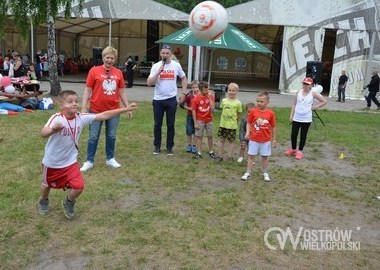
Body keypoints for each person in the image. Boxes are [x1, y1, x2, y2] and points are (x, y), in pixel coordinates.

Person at [38, 90, 137, 218]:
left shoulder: (81, 117)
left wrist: (124, 109)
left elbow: (103, 115)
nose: (75, 104)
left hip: (70, 162)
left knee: (79, 186)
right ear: (61, 105)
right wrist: (52, 130)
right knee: (47, 185)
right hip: (52, 162)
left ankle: (69, 201)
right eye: (70, 102)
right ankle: (43, 200)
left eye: (76, 101)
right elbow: (43, 133)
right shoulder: (57, 119)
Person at [80, 46, 132, 172]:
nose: (109, 60)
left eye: (112, 58)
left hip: (113, 110)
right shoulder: (94, 71)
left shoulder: (118, 73)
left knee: (111, 135)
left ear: (115, 59)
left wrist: (127, 107)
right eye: (107, 57)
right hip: (96, 110)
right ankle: (89, 161)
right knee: (93, 136)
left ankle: (110, 159)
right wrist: (83, 107)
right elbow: (88, 90)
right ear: (103, 58)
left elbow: (122, 92)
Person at [147, 44, 188, 155]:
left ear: (171, 54)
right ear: (160, 54)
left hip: (171, 99)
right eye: (163, 53)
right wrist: (158, 73)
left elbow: (184, 78)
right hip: (158, 100)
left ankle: (169, 147)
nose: (165, 55)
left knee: (171, 124)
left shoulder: (176, 65)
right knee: (157, 124)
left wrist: (184, 93)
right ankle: (157, 146)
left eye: (167, 53)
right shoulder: (156, 66)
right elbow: (149, 83)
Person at [284, 77, 327, 160]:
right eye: (304, 83)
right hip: (296, 117)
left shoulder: (313, 93)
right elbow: (294, 104)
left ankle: (300, 151)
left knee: (303, 135)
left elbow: (324, 101)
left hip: (306, 119)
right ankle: (293, 149)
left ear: (311, 85)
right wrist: (291, 115)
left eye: (307, 84)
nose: (305, 85)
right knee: (293, 134)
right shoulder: (298, 92)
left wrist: (314, 107)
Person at [241, 91, 277, 182]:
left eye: (262, 101)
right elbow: (249, 122)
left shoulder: (270, 113)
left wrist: (274, 139)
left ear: (267, 102)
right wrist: (248, 132)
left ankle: (265, 172)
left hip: (265, 140)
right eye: (258, 101)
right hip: (254, 139)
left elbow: (273, 126)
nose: (259, 103)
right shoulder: (253, 112)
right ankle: (248, 172)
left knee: (265, 157)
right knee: (251, 156)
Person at [215, 83, 243, 162]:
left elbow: (239, 114)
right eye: (229, 90)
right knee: (221, 140)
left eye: (233, 90)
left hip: (232, 126)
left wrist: (236, 122)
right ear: (227, 91)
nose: (231, 92)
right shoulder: (224, 101)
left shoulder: (238, 103)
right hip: (223, 124)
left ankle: (229, 156)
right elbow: (222, 110)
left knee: (231, 141)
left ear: (236, 92)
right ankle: (220, 155)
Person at [191, 81, 217, 159]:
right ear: (200, 90)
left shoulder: (211, 96)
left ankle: (211, 151)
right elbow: (193, 110)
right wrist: (195, 122)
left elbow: (212, 108)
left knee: (210, 136)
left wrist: (209, 97)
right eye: (205, 90)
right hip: (200, 120)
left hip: (209, 119)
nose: (207, 91)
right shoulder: (196, 98)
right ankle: (199, 152)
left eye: (207, 89)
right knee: (199, 136)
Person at [180, 80, 199, 153]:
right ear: (191, 88)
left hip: (198, 117)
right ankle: (189, 145)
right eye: (193, 87)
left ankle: (194, 145)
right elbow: (182, 105)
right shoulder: (189, 96)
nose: (195, 89)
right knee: (189, 131)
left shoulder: (201, 96)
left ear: (199, 88)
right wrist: (190, 109)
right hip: (190, 116)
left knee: (196, 132)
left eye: (196, 87)